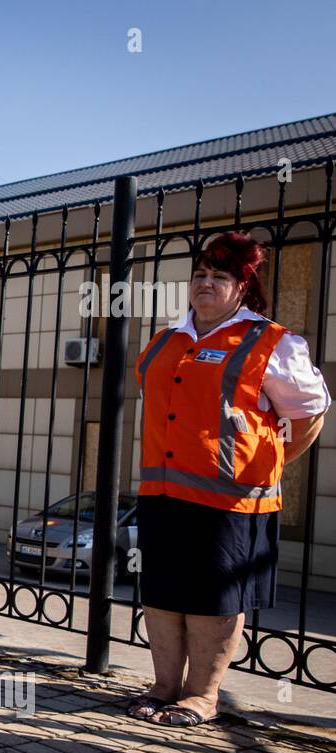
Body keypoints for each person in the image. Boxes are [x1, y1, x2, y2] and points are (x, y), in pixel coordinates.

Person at [127, 231, 329, 726]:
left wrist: (273, 462)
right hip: (163, 491)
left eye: (220, 276)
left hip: (233, 500)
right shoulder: (165, 340)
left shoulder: (272, 343)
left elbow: (310, 411)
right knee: (163, 593)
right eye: (200, 274)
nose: (206, 283)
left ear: (243, 287)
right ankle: (163, 685)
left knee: (212, 600)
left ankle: (202, 696)